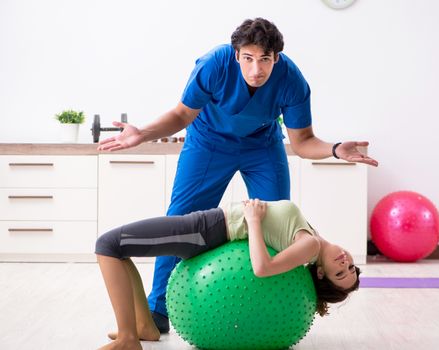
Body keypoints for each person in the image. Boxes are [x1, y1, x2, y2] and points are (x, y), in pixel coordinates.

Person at [97, 17, 377, 333]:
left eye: (265, 60)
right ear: (236, 54)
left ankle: (266, 307)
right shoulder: (214, 63)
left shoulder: (292, 81)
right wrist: (143, 133)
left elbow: (303, 142)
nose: (256, 69)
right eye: (248, 58)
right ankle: (157, 310)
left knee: (278, 227)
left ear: (277, 58)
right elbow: (181, 114)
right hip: (208, 142)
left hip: (263, 145)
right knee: (180, 216)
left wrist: (336, 149)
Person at [95, 199, 361, 350]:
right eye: (350, 268)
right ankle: (143, 327)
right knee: (120, 249)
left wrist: (253, 220)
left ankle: (129, 338)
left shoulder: (310, 246)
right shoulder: (313, 239)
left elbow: (262, 267)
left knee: (107, 245)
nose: (345, 263)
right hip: (209, 227)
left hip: (206, 230)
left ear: (323, 274)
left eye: (340, 273)